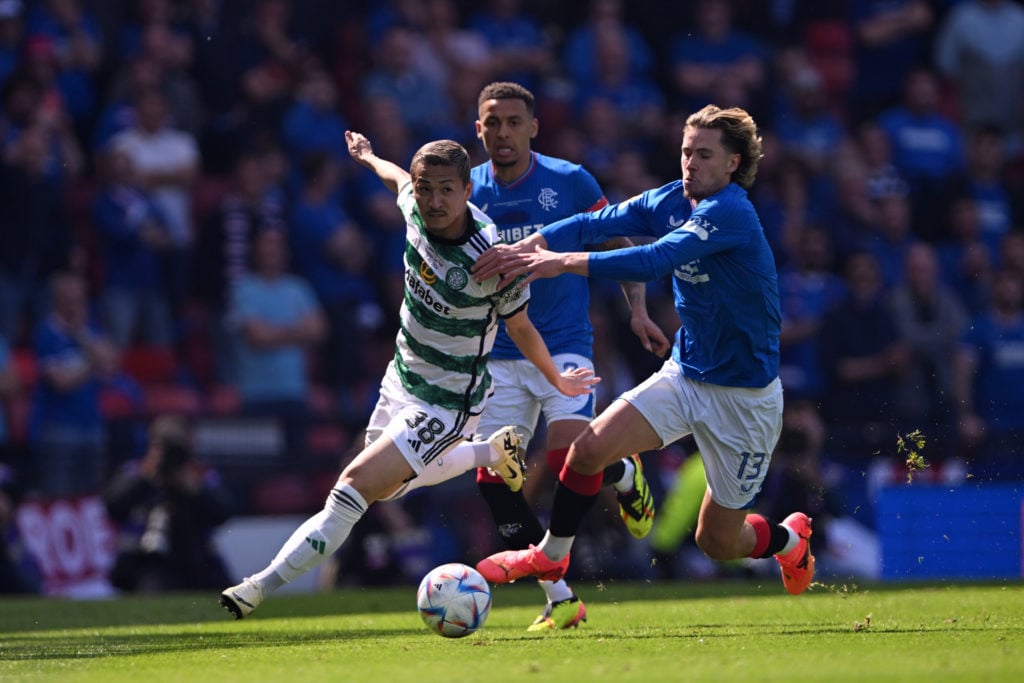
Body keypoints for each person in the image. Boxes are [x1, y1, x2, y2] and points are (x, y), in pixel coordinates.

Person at [219, 131, 599, 619]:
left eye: (446, 189)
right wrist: (368, 156)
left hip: (448, 401)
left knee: (353, 484)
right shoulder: (414, 207)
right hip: (401, 379)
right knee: (389, 489)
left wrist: (556, 379)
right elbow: (395, 176)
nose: (434, 200)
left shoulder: (490, 258)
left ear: (467, 190)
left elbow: (521, 327)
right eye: (426, 189)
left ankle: (257, 587)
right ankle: (488, 452)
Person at [472, 104, 817, 598]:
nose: (690, 164)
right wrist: (529, 247)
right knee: (587, 451)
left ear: (733, 163)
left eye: (703, 154)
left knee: (717, 542)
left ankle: (788, 541)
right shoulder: (672, 199)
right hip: (685, 374)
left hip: (745, 400)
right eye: (685, 152)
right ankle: (549, 556)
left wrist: (558, 263)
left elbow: (656, 258)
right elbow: (596, 222)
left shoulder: (731, 213)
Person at [466, 81, 667, 631]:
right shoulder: (464, 192)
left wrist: (637, 310)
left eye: (513, 121)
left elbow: (618, 243)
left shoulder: (570, 180)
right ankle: (560, 596)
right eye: (492, 122)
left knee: (562, 464)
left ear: (534, 127)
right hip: (497, 356)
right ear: (477, 128)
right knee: (494, 485)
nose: (502, 132)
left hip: (564, 345)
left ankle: (622, 470)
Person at [104, 415, 232, 592]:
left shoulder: (202, 475)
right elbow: (113, 507)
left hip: (197, 556)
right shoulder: (134, 472)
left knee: (230, 599)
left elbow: (223, 513)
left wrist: (194, 488)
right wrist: (146, 477)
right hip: (146, 558)